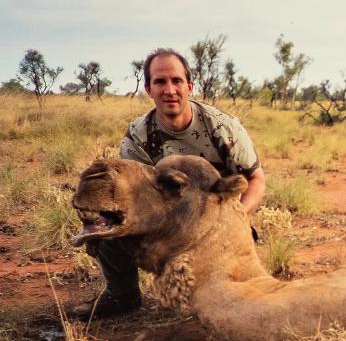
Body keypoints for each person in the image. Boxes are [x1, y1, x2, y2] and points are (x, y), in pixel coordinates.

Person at [72, 48, 265, 319]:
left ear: (189, 86)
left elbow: (255, 179)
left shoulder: (222, 127)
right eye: (160, 82)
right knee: (111, 232)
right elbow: (132, 196)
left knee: (239, 285)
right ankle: (122, 296)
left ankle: (239, 294)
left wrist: (238, 217)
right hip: (167, 220)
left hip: (218, 215)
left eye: (176, 81)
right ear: (149, 89)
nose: (169, 90)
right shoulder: (138, 135)